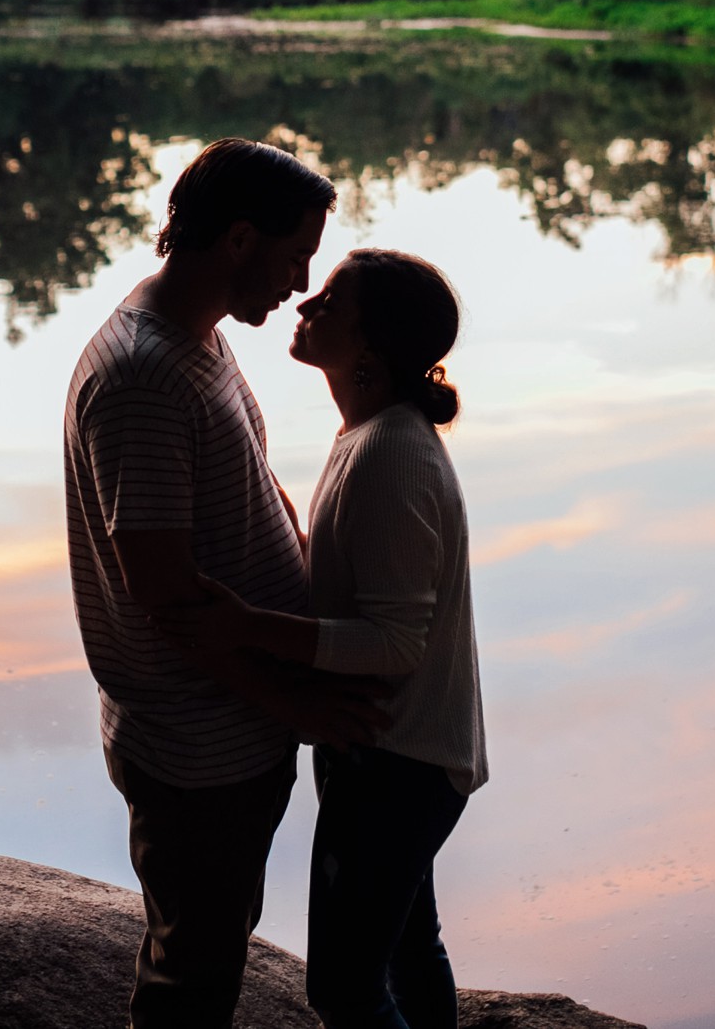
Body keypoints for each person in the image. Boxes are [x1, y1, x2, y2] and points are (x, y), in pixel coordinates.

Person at [63, 138, 388, 1029]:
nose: (301, 280)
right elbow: (166, 599)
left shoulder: (193, 335)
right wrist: (300, 705)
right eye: (295, 256)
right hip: (197, 745)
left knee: (214, 941)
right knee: (191, 981)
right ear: (240, 239)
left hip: (232, 730)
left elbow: (249, 477)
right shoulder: (143, 376)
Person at [164, 248, 485, 1029]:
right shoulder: (369, 432)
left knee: (343, 987)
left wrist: (246, 626)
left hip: (398, 764)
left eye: (331, 301)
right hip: (396, 755)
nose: (305, 301)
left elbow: (393, 643)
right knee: (409, 947)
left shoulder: (392, 456)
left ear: (370, 349)